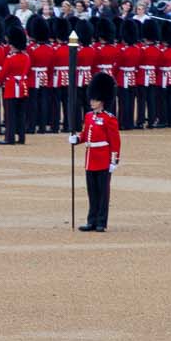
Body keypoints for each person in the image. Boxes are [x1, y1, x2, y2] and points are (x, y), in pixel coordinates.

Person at [72, 72, 121, 233]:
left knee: (103, 193)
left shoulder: (109, 118)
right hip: (90, 158)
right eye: (92, 99)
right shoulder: (88, 117)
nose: (92, 102)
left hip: (103, 158)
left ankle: (101, 221)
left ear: (102, 101)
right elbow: (86, 135)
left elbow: (115, 141)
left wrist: (114, 161)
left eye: (95, 100)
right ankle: (91, 220)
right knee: (92, 192)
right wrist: (76, 139)